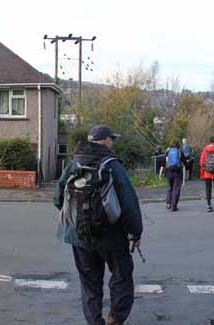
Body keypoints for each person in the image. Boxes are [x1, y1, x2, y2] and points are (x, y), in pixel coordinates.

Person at [54, 125, 144, 325]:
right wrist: (136, 233)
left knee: (90, 282)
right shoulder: (113, 165)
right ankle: (115, 318)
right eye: (111, 139)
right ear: (106, 141)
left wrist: (79, 217)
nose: (113, 142)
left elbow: (57, 198)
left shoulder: (74, 164)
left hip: (80, 236)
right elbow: (129, 203)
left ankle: (95, 321)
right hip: (111, 236)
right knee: (122, 277)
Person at [162, 140, 185, 212]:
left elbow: (164, 162)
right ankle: (174, 206)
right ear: (178, 144)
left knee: (170, 187)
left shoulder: (168, 151)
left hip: (169, 171)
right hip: (178, 172)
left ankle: (168, 203)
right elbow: (184, 161)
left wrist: (162, 172)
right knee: (176, 188)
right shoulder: (179, 151)